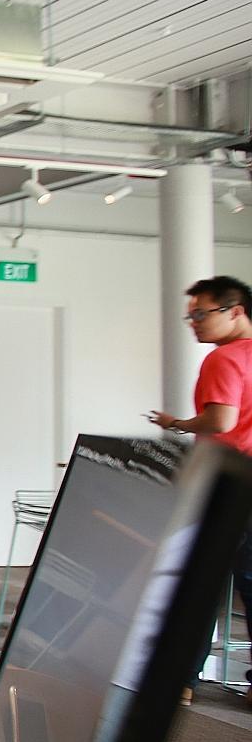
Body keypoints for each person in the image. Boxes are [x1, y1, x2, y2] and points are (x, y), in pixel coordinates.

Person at [148, 274, 252, 708]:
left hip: (226, 483)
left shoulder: (223, 358)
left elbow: (221, 421)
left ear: (235, 311)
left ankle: (180, 680)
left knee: (198, 585)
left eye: (201, 314)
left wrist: (177, 424)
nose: (193, 322)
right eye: (190, 315)